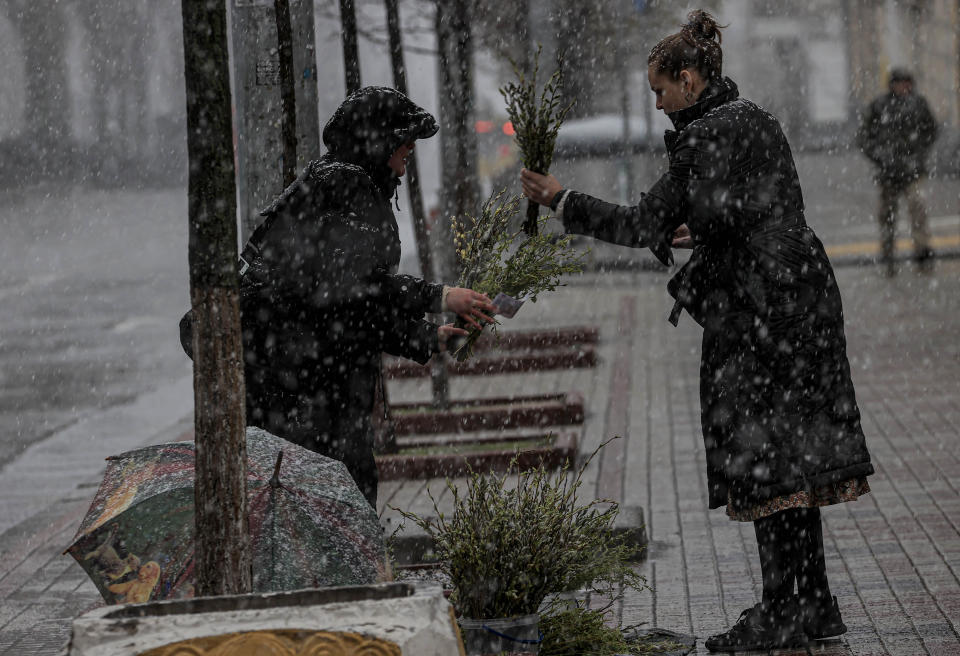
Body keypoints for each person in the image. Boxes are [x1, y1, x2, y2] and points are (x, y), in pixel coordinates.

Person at [521, 10, 873, 652]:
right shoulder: (756, 118)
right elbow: (754, 206)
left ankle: (779, 614)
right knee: (795, 455)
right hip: (803, 295)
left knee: (766, 458)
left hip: (759, 311)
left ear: (688, 79)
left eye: (659, 90)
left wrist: (560, 200)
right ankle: (813, 603)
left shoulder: (704, 135)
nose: (656, 105)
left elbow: (637, 224)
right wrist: (706, 228)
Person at [242, 86, 496, 508]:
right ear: (379, 142)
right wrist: (441, 297)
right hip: (309, 388)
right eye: (403, 141)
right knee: (338, 498)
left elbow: (351, 306)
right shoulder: (348, 185)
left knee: (327, 497)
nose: (410, 150)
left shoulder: (340, 180)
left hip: (302, 384)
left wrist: (426, 338)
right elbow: (354, 289)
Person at [856, 68, 938, 275]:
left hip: (912, 170)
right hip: (888, 172)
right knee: (887, 214)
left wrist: (918, 154)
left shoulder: (918, 105)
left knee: (917, 208)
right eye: (900, 83)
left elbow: (931, 130)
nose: (904, 88)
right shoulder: (879, 106)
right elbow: (863, 137)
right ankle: (888, 253)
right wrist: (880, 156)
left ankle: (922, 252)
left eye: (906, 83)